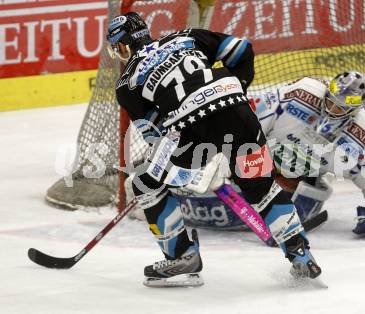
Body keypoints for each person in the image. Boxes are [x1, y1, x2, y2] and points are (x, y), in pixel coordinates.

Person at [106, 12, 321, 287]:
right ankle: (301, 255)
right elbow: (242, 50)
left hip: (191, 129)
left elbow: (156, 135)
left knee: (145, 185)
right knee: (261, 187)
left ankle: (182, 258)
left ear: (122, 45)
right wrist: (232, 93)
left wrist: (179, 165)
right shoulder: (186, 36)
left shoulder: (127, 83)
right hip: (236, 108)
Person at [127, 71, 365, 237]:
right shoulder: (301, 94)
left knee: (290, 189)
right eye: (330, 101)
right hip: (255, 157)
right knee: (204, 169)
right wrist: (220, 150)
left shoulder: (362, 131)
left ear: (356, 109)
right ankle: (158, 191)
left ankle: (269, 208)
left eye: (341, 108)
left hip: (298, 177)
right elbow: (248, 118)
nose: (332, 109)